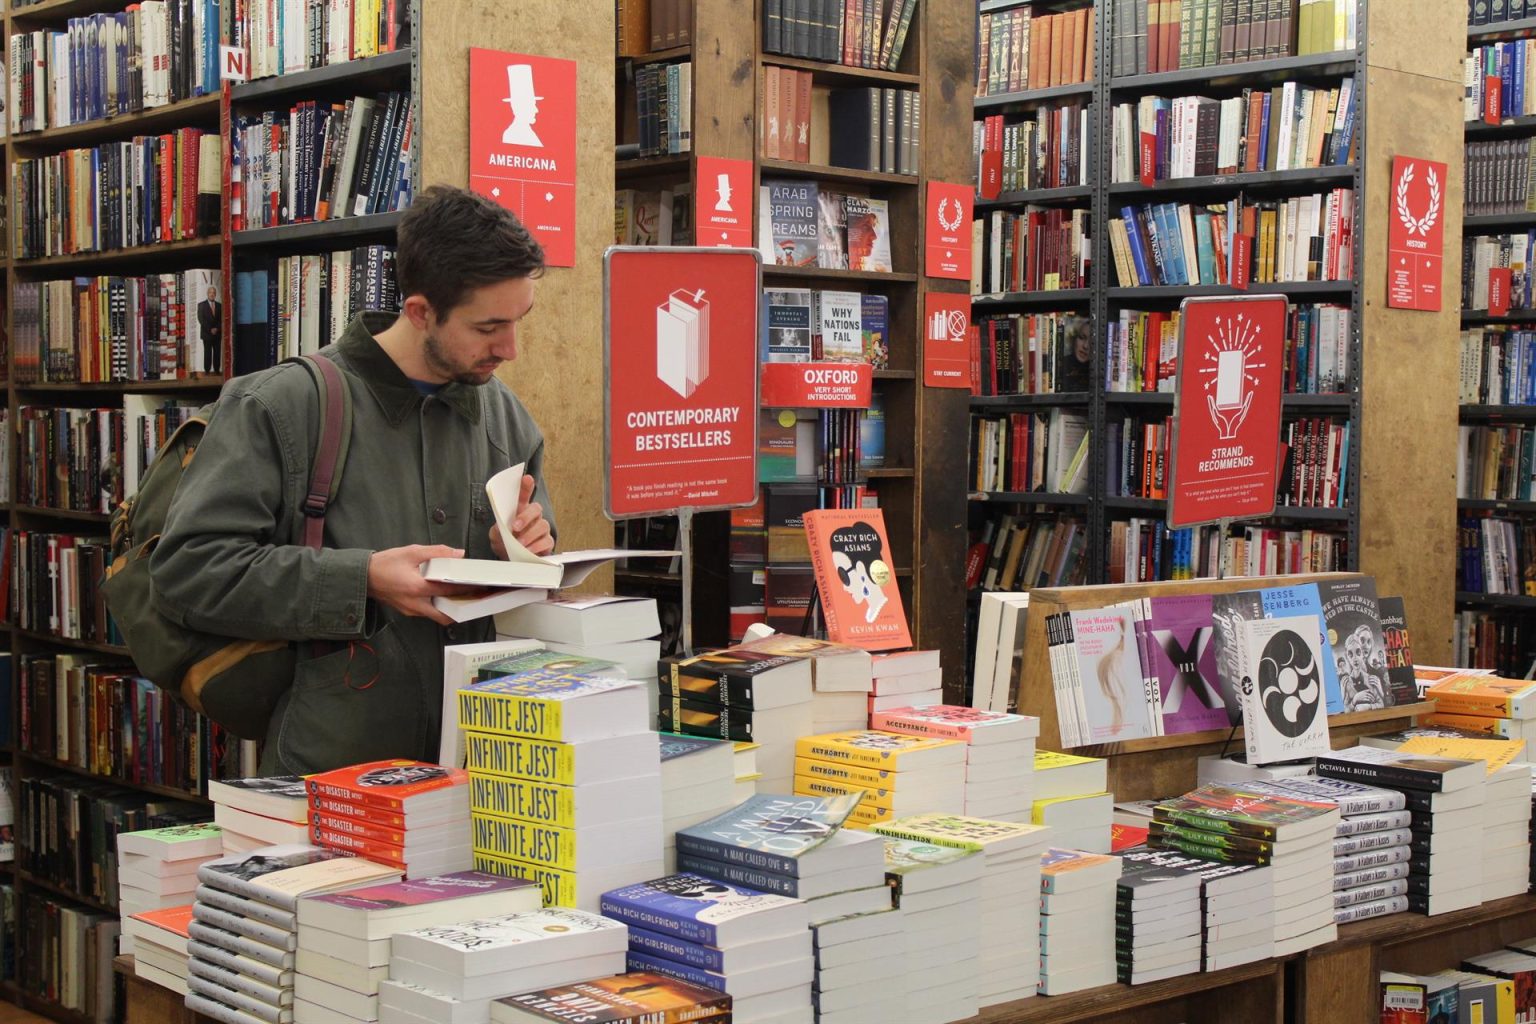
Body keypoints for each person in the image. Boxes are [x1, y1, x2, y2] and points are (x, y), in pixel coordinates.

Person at [150, 185, 557, 775]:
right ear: (420, 312)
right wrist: (361, 580)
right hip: (332, 773)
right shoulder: (282, 406)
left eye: (519, 321)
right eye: (489, 326)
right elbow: (188, 572)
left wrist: (529, 550)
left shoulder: (506, 420)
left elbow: (532, 577)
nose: (511, 348)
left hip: (479, 771)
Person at [198, 284, 222, 376]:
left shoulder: (220, 306)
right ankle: (207, 371)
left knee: (217, 353)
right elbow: (201, 319)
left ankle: (217, 370)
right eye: (210, 292)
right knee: (207, 353)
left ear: (215, 294)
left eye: (214, 293)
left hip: (217, 333)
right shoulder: (201, 305)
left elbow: (222, 319)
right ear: (207, 294)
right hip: (207, 333)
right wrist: (210, 329)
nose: (212, 294)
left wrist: (217, 328)